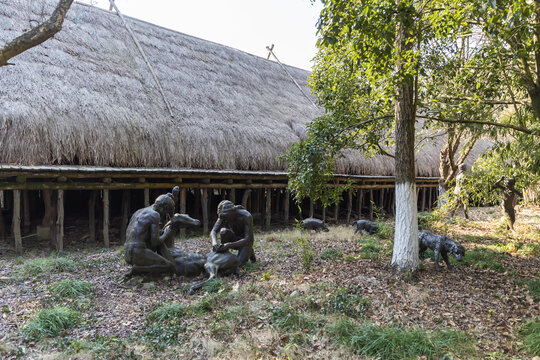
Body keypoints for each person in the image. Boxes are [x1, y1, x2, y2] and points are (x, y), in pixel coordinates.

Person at [124, 194, 176, 277]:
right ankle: (137, 269)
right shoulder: (155, 215)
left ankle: (139, 266)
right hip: (138, 252)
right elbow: (155, 241)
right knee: (169, 266)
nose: (164, 215)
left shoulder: (139, 211)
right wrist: (166, 233)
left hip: (127, 252)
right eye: (165, 212)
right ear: (164, 208)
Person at [210, 200, 256, 267]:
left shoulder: (246, 216)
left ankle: (249, 251)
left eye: (226, 216)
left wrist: (229, 245)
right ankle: (225, 254)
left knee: (237, 265)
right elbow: (213, 231)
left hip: (246, 242)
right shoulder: (224, 215)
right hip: (235, 238)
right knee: (223, 231)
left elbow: (248, 238)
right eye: (223, 217)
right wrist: (214, 243)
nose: (224, 219)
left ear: (233, 212)